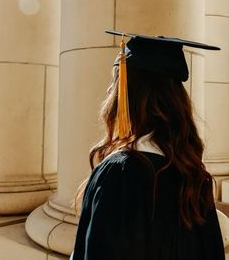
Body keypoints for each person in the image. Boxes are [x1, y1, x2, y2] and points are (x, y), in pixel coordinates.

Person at [70, 30, 225, 260]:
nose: (110, 91)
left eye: (115, 83)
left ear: (129, 95)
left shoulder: (118, 174)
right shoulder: (194, 177)